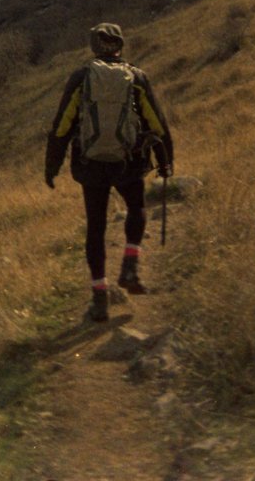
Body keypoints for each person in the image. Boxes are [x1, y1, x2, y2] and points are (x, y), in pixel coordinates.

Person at [44, 22, 174, 322]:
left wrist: (52, 167)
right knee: (137, 208)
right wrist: (166, 161)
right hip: (127, 162)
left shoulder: (82, 77)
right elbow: (157, 122)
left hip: (91, 165)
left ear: (94, 46)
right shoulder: (136, 77)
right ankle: (129, 266)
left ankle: (99, 299)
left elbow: (62, 125)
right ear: (120, 46)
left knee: (96, 227)